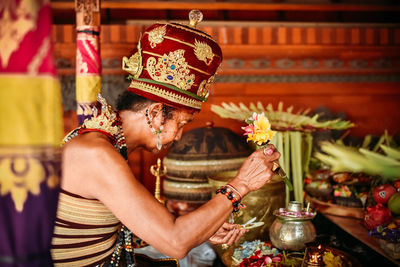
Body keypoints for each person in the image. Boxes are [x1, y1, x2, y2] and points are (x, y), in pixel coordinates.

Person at [51, 11, 281, 266]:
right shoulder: (96, 154)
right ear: (156, 113)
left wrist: (202, 230)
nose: (180, 135)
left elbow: (117, 228)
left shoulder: (106, 142)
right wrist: (240, 185)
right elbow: (175, 242)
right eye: (182, 123)